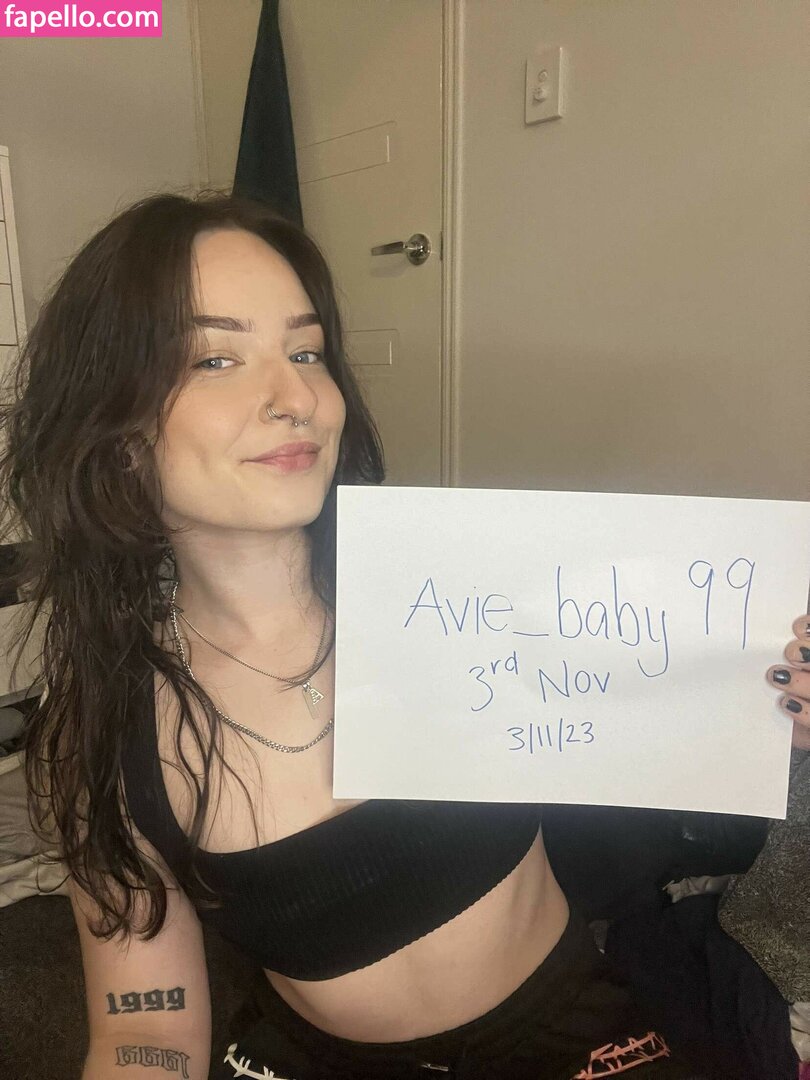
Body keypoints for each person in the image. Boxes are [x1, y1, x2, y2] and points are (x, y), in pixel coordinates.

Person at [0, 192, 806, 1080]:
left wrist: (781, 711)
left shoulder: (470, 593)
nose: (297, 398)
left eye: (306, 351)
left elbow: (689, 712)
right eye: (217, 358)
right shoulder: (100, 735)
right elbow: (146, 1031)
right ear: (116, 432)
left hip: (581, 1035)